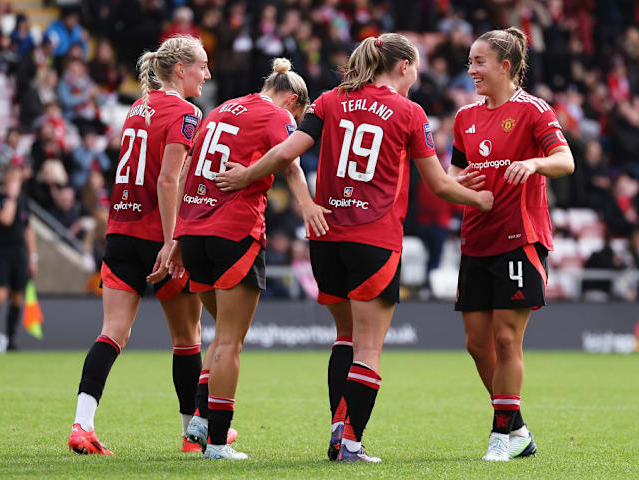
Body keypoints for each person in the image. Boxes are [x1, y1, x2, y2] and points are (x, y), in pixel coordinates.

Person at [216, 33, 493, 463]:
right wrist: (480, 199)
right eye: (416, 66)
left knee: (344, 337)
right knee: (368, 347)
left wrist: (245, 174)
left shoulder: (328, 101)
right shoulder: (409, 112)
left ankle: (337, 433)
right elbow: (438, 185)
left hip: (326, 237)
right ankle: (348, 442)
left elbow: (284, 152)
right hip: (374, 237)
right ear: (403, 66)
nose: (417, 75)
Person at [67, 35, 211, 455]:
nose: (207, 73)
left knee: (112, 332)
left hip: (119, 231)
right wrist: (172, 242)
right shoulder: (186, 112)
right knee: (187, 338)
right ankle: (191, 436)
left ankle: (82, 425)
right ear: (180, 68)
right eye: (202, 64)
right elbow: (168, 180)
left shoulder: (138, 106)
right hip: (155, 236)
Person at [171, 57, 322, 460]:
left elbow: (186, 170)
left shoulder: (221, 108)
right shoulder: (276, 115)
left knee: (221, 334)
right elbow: (291, 166)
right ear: (293, 100)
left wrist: (175, 236)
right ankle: (218, 443)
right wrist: (306, 207)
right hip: (234, 230)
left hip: (194, 231)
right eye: (299, 115)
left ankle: (202, 419)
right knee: (231, 342)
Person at [449, 27, 575, 462]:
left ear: (505, 65)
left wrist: (534, 161)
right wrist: (457, 182)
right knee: (477, 343)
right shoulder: (465, 117)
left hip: (520, 239)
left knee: (506, 339)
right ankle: (517, 427)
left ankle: (500, 435)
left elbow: (566, 161)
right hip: (475, 238)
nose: (472, 70)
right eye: (470, 62)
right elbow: (453, 175)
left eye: (479, 62)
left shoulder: (534, 111)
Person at [0, 165, 38, 351]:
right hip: (1, 253)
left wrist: (33, 256)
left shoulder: (23, 201)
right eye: (12, 178)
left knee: (17, 297)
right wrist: (11, 198)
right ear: (5, 180)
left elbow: (28, 229)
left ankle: (10, 340)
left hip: (19, 254)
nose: (15, 183)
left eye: (18, 179)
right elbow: (6, 220)